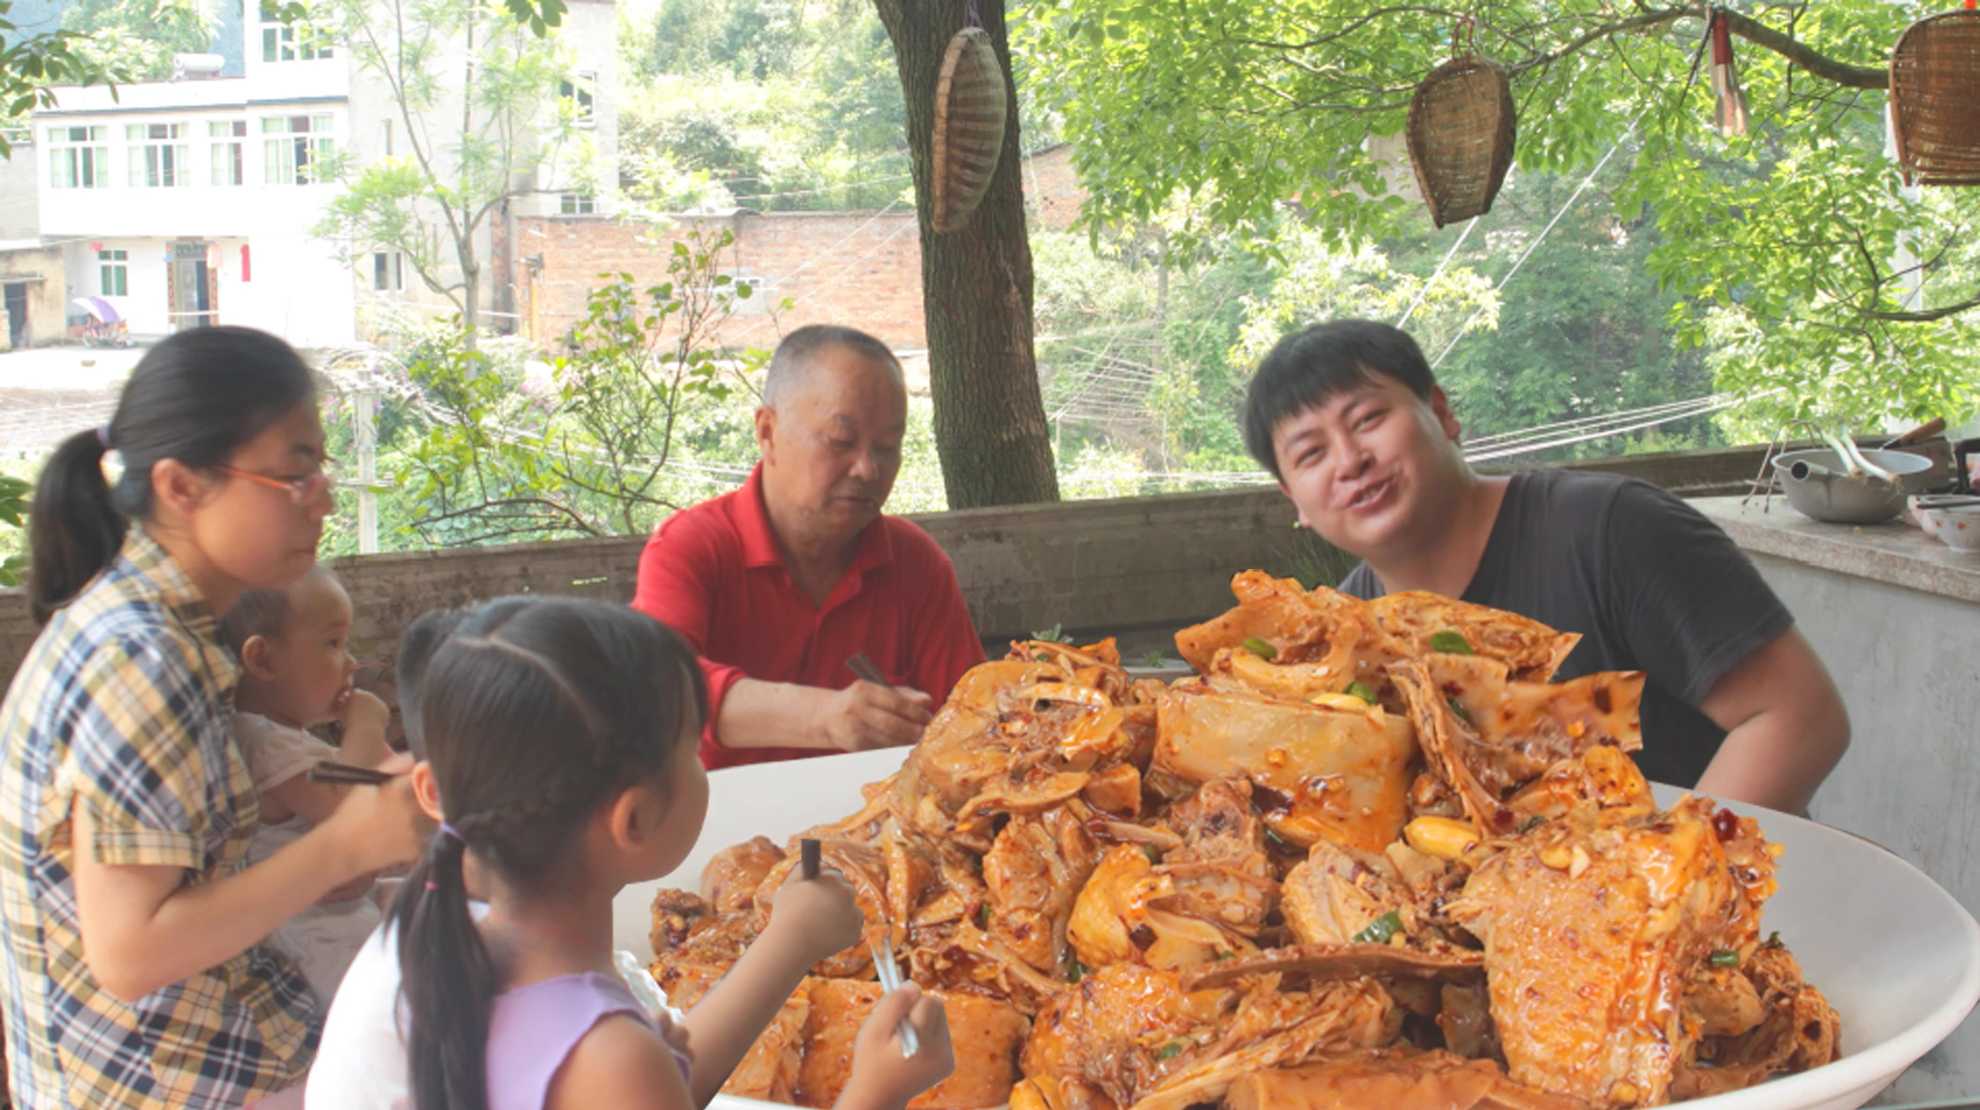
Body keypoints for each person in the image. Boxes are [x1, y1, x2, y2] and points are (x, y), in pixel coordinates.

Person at [0, 327, 426, 1110]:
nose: (323, 499)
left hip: (217, 1041)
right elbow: (129, 953)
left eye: (320, 468)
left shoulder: (161, 629)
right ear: (181, 486)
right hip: (153, 1082)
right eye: (294, 475)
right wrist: (344, 845)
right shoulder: (142, 658)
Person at [1242, 319, 1849, 813]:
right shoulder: (1346, 639)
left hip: (1697, 926)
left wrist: (1662, 889)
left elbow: (1799, 716)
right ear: (1293, 500)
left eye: (1368, 419)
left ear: (1441, 413)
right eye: (1312, 452)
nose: (1350, 460)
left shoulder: (1611, 532)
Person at [377, 596, 953, 1110]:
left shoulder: (433, 943)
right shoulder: (610, 1058)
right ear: (635, 818)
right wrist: (877, 1091)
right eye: (690, 748)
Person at [633, 325, 984, 770]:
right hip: (717, 826)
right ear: (767, 432)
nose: (868, 469)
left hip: (874, 828)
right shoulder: (693, 546)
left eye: (888, 447)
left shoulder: (916, 563)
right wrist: (825, 718)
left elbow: (974, 718)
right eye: (841, 441)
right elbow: (656, 691)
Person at [221, 565, 392, 1005]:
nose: (350, 663)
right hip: (316, 939)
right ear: (263, 660)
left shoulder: (283, 739)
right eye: (332, 643)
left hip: (337, 916)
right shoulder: (261, 741)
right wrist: (367, 727)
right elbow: (348, 809)